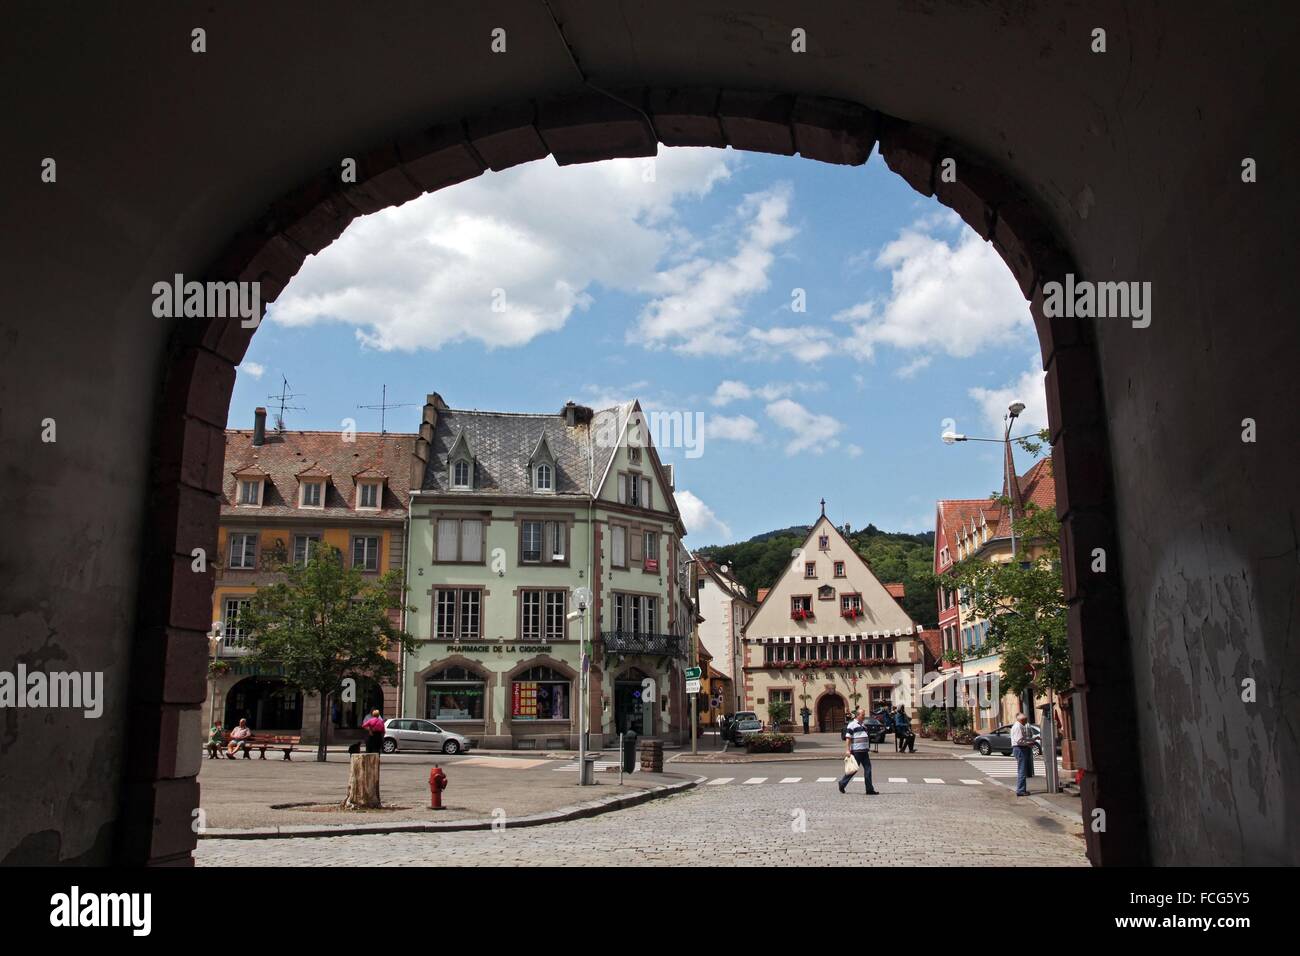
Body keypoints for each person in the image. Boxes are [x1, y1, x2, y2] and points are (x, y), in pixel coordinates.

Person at [838, 707, 879, 795]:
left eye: (864, 715)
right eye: (862, 715)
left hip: (864, 751)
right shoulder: (851, 725)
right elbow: (848, 738)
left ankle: (869, 789)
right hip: (856, 751)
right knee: (854, 769)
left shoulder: (863, 725)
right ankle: (842, 783)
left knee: (868, 769)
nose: (864, 716)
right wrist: (847, 750)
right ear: (857, 715)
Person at [1010, 711, 1035, 795]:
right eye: (1025, 720)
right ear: (1021, 720)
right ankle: (1020, 790)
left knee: (1022, 770)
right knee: (1022, 770)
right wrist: (1029, 743)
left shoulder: (1020, 726)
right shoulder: (1018, 727)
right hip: (1020, 749)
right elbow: (1019, 741)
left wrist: (1032, 740)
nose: (1026, 721)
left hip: (1020, 748)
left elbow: (1022, 739)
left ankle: (1022, 789)